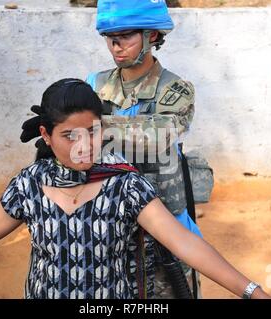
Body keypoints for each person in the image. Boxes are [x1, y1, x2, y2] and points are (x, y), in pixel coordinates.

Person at [0, 79, 271, 300]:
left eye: (92, 132)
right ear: (46, 135)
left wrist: (252, 291)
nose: (83, 145)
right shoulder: (29, 186)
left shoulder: (126, 186)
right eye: (69, 135)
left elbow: (185, 243)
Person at [84, 0, 207, 298]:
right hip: (110, 220)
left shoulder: (174, 89)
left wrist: (94, 128)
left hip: (163, 222)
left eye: (125, 35)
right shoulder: (95, 83)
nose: (116, 46)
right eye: (110, 38)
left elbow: (161, 135)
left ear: (152, 36)